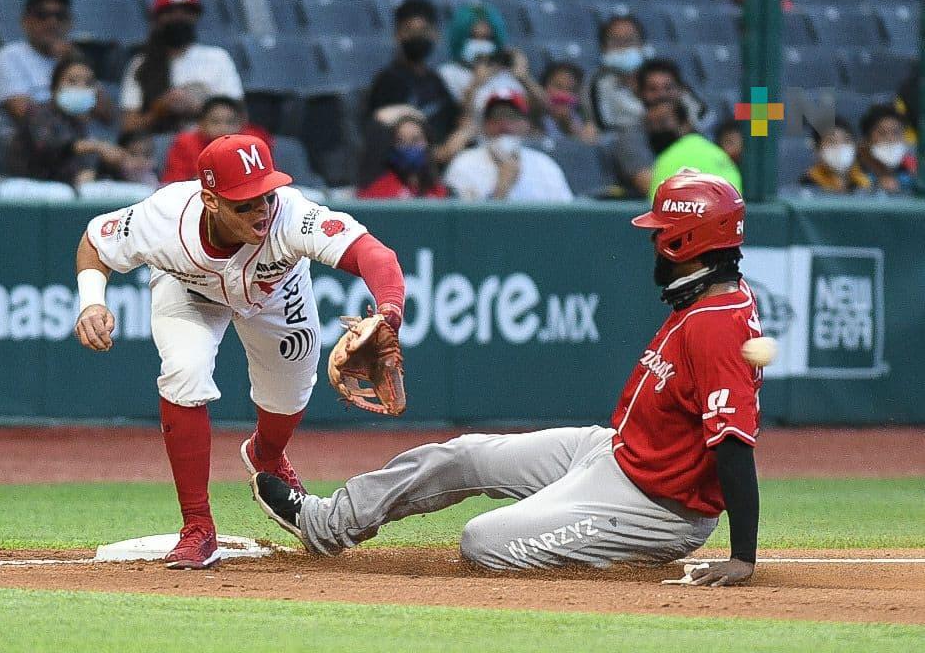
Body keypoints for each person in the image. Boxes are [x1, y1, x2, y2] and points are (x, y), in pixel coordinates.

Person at [253, 171, 764, 588]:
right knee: (462, 456)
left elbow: (734, 445)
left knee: (483, 542)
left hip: (655, 506)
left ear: (686, 241)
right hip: (616, 452)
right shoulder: (708, 300)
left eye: (660, 235)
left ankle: (618, 548)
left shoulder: (716, 324)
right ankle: (327, 523)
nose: (653, 243)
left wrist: (742, 556)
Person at [73, 134, 405, 569]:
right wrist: (92, 300)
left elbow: (374, 255)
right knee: (184, 372)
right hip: (189, 292)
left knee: (290, 394)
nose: (261, 211)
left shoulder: (292, 215)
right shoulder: (164, 217)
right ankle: (197, 527)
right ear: (210, 200)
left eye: (265, 196)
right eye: (244, 203)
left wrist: (388, 314)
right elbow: (96, 243)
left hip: (276, 293)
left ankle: (265, 454)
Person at [8, 57, 147, 187]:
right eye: (72, 81)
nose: (81, 87)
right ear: (54, 87)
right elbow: (50, 146)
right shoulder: (37, 113)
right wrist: (98, 147)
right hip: (28, 190)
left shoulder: (81, 124)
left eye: (88, 83)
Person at [119, 0, 244, 135]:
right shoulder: (141, 64)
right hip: (160, 147)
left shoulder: (217, 57)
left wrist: (195, 107)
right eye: (170, 12)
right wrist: (159, 110)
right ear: (158, 18)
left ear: (195, 16)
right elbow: (128, 127)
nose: (178, 17)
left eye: (186, 12)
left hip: (209, 143)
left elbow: (240, 117)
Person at [0, 0, 113, 129]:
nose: (52, 23)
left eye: (60, 16)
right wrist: (80, 102)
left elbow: (106, 115)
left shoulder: (72, 57)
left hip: (85, 143)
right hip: (33, 146)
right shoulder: (8, 57)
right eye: (42, 15)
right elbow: (27, 116)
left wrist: (74, 60)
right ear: (25, 21)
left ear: (70, 23)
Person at [443, 90, 572, 202]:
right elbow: (459, 225)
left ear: (526, 124)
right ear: (485, 125)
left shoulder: (545, 165)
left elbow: (567, 218)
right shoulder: (463, 163)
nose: (504, 124)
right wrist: (500, 190)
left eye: (512, 116)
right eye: (496, 117)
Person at [365, 0, 458, 149]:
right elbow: (387, 141)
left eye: (423, 30)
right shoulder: (387, 82)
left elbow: (454, 121)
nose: (417, 36)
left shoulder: (436, 80)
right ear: (397, 35)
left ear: (435, 34)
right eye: (409, 30)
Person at [437, 3, 540, 122]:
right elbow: (457, 117)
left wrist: (524, 76)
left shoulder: (507, 73)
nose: (481, 43)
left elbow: (539, 112)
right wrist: (476, 83)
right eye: (473, 37)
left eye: (487, 38)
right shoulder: (448, 72)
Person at [160, 96, 272, 183]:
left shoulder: (252, 142)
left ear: (241, 124)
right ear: (201, 124)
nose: (223, 128)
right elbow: (173, 184)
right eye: (215, 122)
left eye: (230, 122)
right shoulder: (185, 143)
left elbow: (268, 178)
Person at [646, 98, 741, 198]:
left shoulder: (666, 159)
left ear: (685, 124)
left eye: (662, 122)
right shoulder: (717, 153)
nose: (656, 129)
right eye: (651, 124)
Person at [584, 14, 651, 132]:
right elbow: (603, 125)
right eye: (616, 41)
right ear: (603, 48)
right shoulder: (598, 83)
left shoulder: (661, 76)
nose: (623, 47)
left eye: (630, 40)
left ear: (641, 45)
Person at [357, 114, 448, 199]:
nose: (409, 147)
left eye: (415, 140)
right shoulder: (378, 191)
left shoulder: (441, 192)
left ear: (428, 144)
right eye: (401, 141)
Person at [799, 117, 871, 194]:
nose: (840, 147)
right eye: (831, 141)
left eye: (846, 141)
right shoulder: (808, 186)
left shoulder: (865, 184)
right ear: (817, 151)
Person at [856, 104, 917, 195]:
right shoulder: (856, 175)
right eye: (882, 133)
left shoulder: (916, 173)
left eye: (896, 133)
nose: (890, 138)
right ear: (867, 141)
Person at [537, 62, 597, 143]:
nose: (563, 95)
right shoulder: (535, 116)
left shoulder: (582, 121)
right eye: (558, 86)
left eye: (571, 89)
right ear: (544, 87)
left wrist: (571, 126)